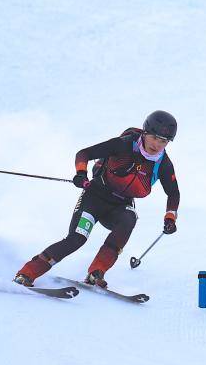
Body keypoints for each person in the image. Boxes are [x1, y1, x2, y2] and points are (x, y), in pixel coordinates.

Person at [13, 110, 180, 288]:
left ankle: (96, 272)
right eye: (154, 138)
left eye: (163, 141)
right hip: (94, 198)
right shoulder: (123, 145)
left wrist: (170, 217)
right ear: (145, 133)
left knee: (129, 219)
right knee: (77, 238)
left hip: (120, 205)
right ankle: (27, 273)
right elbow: (83, 154)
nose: (157, 144)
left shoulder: (164, 164)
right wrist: (81, 173)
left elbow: (173, 193)